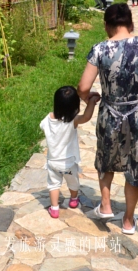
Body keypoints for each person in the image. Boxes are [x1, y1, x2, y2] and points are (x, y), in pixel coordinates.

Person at [77, 4, 138, 234]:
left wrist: (89, 98)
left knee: (106, 158)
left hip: (110, 112)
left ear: (107, 26)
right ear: (131, 24)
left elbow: (83, 87)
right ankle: (128, 220)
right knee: (136, 165)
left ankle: (106, 205)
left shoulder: (99, 50)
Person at [40, 86, 99, 219]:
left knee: (53, 184)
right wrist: (91, 102)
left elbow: (43, 125)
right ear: (75, 106)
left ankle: (54, 208)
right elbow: (87, 116)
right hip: (68, 163)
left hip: (53, 162)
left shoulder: (48, 118)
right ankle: (73, 200)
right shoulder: (73, 121)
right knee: (73, 182)